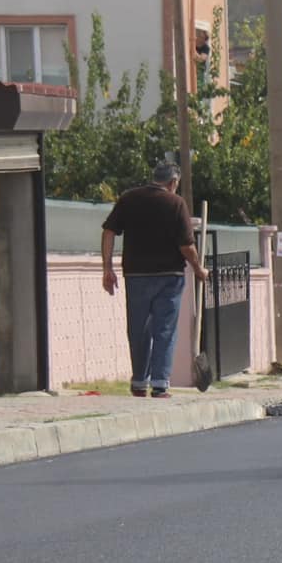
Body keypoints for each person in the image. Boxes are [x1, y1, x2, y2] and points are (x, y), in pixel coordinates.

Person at [100, 162, 208, 398]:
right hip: (170, 277)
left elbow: (108, 231)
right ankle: (160, 383)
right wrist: (198, 268)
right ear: (173, 182)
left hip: (136, 275)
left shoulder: (129, 199)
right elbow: (186, 246)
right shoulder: (176, 203)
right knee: (165, 329)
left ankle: (139, 381)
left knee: (138, 329)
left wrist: (107, 268)